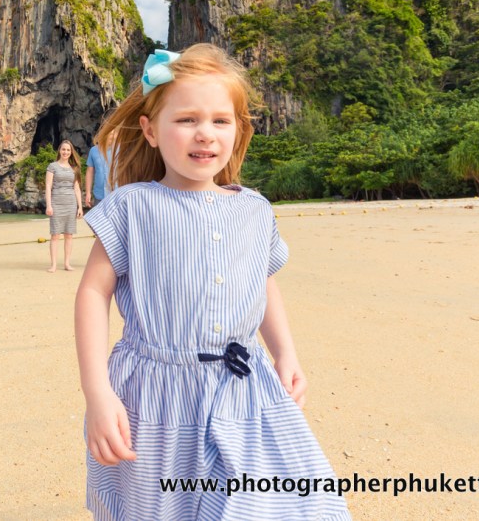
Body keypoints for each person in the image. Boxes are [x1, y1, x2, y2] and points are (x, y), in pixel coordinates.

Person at [74, 45, 352, 520]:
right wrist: (97, 393)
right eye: (186, 120)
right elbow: (93, 293)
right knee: (161, 508)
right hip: (156, 393)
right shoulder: (133, 206)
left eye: (220, 121)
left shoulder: (254, 209)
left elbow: (262, 284)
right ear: (151, 130)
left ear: (237, 130)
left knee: (287, 501)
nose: (204, 134)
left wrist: (285, 353)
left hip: (244, 383)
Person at [45, 139, 84, 273]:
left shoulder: (75, 168)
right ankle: (54, 264)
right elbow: (48, 186)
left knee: (69, 235)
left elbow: (77, 189)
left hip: (71, 204)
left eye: (68, 150)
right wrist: (49, 205)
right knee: (55, 235)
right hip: (56, 202)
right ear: (59, 151)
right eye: (63, 149)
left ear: (71, 152)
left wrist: (80, 207)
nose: (65, 152)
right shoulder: (52, 166)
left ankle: (67, 263)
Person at [84, 143, 113, 208]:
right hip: (99, 196)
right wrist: (88, 193)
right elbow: (89, 172)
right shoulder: (93, 150)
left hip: (116, 195)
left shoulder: (121, 149)